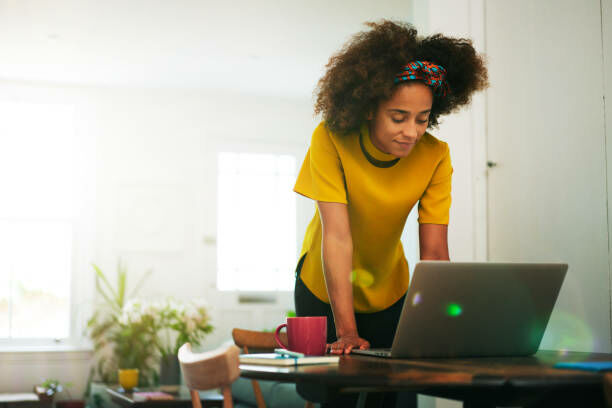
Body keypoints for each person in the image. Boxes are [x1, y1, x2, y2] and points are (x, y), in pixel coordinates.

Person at [293, 20, 488, 356]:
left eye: (422, 118)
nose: (412, 132)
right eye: (399, 117)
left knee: (390, 381)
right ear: (370, 109)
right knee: (332, 382)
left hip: (389, 292)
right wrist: (347, 332)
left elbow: (435, 253)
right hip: (321, 288)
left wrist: (445, 325)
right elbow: (337, 237)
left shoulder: (436, 156)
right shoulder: (330, 138)